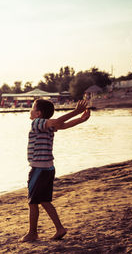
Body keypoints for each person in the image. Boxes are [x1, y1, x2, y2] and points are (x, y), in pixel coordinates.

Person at [22, 99, 90, 242]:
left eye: (32, 108)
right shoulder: (46, 125)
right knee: (45, 200)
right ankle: (59, 228)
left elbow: (58, 122)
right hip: (48, 169)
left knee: (33, 202)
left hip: (39, 169)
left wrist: (76, 112)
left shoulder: (36, 123)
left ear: (38, 113)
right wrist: (80, 120)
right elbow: (63, 125)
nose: (30, 110)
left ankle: (32, 233)